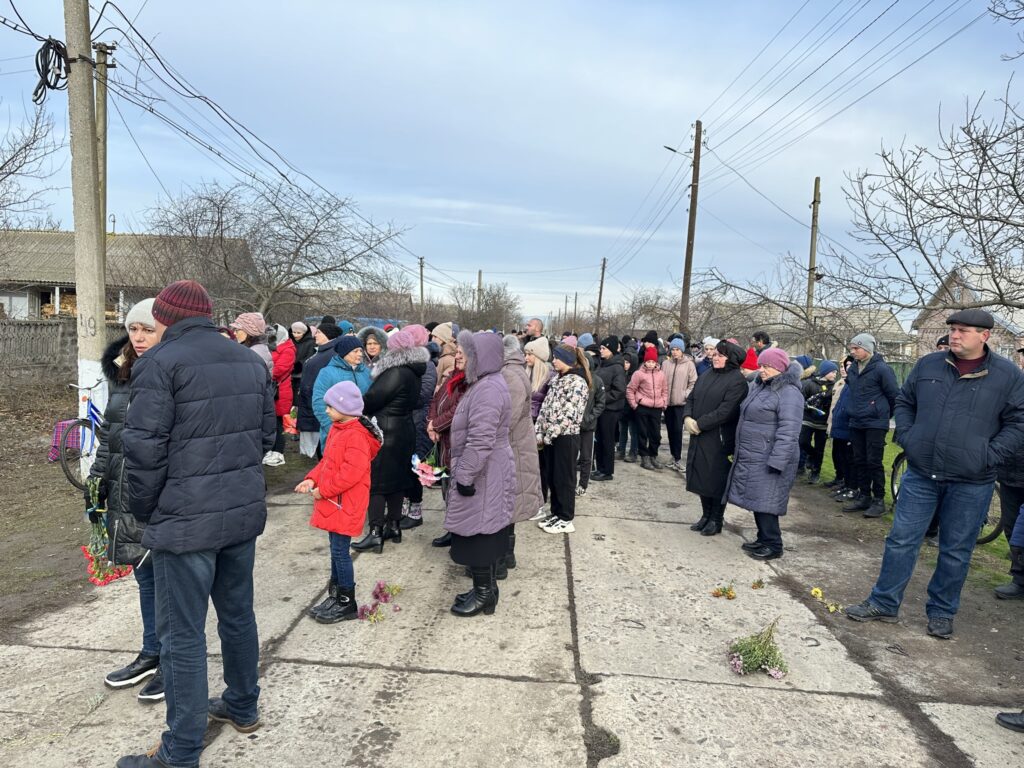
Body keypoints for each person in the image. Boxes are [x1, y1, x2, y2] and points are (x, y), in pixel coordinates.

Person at [118, 281, 275, 768]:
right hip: (238, 512)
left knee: (181, 634)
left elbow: (143, 450)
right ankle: (242, 706)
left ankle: (181, 749)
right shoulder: (250, 361)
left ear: (165, 317)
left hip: (185, 519)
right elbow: (268, 436)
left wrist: (143, 513)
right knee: (237, 613)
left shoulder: (160, 363)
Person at [845, 309, 1024, 639]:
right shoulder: (928, 365)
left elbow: (1018, 422)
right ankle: (884, 602)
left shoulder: (1008, 376)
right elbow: (905, 402)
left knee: (956, 549)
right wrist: (909, 438)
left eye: (963, 330)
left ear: (985, 335)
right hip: (921, 473)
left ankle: (942, 611)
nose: (955, 335)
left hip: (972, 480)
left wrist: (990, 455)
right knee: (901, 540)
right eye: (953, 329)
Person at [89, 299, 165, 703]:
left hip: (159, 494)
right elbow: (109, 433)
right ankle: (151, 651)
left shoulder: (171, 373)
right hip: (124, 489)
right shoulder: (123, 374)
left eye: (148, 329)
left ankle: (172, 658)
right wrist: (97, 479)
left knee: (167, 579)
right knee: (144, 575)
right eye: (133, 329)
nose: (138, 337)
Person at [295, 382, 382, 623]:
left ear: (346, 408)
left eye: (331, 407)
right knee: (335, 550)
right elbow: (327, 462)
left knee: (341, 552)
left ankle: (347, 601)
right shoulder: (338, 428)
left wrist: (325, 491)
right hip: (336, 501)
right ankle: (336, 594)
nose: (327, 410)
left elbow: (351, 473)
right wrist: (311, 479)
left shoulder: (355, 435)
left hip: (345, 502)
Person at [445, 332, 516, 615]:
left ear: (481, 355)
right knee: (481, 529)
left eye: (463, 350)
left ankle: (485, 594)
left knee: (479, 534)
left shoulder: (487, 389)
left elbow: (481, 439)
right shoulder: (483, 383)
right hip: (485, 468)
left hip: (483, 471)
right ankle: (484, 589)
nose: (457, 354)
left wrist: (464, 476)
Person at [352, 330, 428, 553]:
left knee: (376, 483)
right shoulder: (414, 371)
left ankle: (375, 532)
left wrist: (357, 401)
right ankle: (393, 525)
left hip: (387, 430)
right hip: (403, 429)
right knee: (396, 481)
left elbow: (372, 399)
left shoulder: (395, 372)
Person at [726, 348, 803, 561]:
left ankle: (774, 544)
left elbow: (789, 431)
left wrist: (778, 460)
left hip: (772, 457)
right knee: (759, 499)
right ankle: (763, 538)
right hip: (756, 454)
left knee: (768, 500)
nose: (762, 370)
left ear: (779, 368)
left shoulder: (789, 392)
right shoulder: (760, 386)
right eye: (761, 366)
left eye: (767, 366)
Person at [683, 341, 749, 536]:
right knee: (701, 476)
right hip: (699, 435)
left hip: (718, 438)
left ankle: (716, 519)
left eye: (720, 355)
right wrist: (687, 417)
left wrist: (699, 424)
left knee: (715, 479)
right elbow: (692, 398)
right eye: (715, 354)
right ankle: (705, 515)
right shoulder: (707, 374)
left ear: (731, 359)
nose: (715, 357)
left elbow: (726, 411)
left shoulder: (737, 381)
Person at [499, 335, 543, 575]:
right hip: (516, 446)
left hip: (514, 448)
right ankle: (506, 555)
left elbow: (507, 419)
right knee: (510, 503)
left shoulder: (511, 376)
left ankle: (504, 557)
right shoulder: (514, 371)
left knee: (509, 504)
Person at [842, 333, 899, 518]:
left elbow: (894, 396)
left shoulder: (882, 369)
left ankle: (879, 500)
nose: (853, 352)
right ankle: (864, 495)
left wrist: (882, 414)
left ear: (867, 349)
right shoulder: (853, 369)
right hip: (856, 420)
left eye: (856, 348)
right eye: (852, 348)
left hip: (875, 422)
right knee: (859, 459)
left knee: (874, 461)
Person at [535, 344, 590, 534]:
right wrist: (539, 432)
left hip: (565, 438)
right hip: (551, 439)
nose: (553, 360)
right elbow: (546, 408)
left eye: (556, 357)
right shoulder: (558, 379)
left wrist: (548, 435)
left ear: (566, 359)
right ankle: (556, 512)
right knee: (553, 477)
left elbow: (569, 414)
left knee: (564, 479)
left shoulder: (577, 382)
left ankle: (566, 517)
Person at [426, 340, 470, 548]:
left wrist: (436, 424)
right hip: (444, 441)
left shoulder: (470, 381)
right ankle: (452, 530)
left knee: (457, 491)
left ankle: (460, 533)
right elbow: (436, 400)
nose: (458, 356)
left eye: (462, 353)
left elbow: (458, 410)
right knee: (447, 489)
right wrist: (431, 423)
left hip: (457, 442)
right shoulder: (453, 376)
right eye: (457, 352)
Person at [399, 324, 437, 530]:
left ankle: (415, 512)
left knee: (415, 468)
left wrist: (399, 396)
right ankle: (405, 508)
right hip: (406, 421)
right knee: (405, 468)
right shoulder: (406, 362)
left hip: (418, 422)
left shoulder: (427, 365)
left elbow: (423, 395)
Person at [312, 335, 372, 450]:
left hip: (361, 432)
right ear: (344, 353)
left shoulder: (366, 373)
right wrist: (332, 429)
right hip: (336, 432)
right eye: (355, 351)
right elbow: (318, 403)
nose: (360, 354)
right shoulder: (327, 373)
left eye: (361, 350)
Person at [296, 322, 343, 458]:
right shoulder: (322, 351)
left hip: (321, 406)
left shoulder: (332, 353)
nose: (315, 335)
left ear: (328, 335)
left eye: (319, 332)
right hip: (311, 404)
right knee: (320, 449)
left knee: (325, 448)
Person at [627, 346, 669, 471]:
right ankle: (644, 456)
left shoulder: (661, 374)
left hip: (657, 407)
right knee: (642, 433)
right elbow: (630, 389)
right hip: (643, 407)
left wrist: (664, 403)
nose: (651, 364)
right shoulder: (638, 374)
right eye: (648, 362)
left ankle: (653, 455)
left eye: (653, 362)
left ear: (656, 362)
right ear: (645, 362)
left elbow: (665, 390)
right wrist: (635, 404)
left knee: (655, 434)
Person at [593, 336, 627, 482]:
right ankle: (600, 468)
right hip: (601, 408)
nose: (601, 350)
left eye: (604, 348)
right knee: (599, 439)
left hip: (611, 410)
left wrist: (601, 398)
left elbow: (619, 391)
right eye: (600, 348)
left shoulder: (617, 367)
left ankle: (607, 471)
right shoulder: (603, 364)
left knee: (607, 440)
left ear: (611, 350)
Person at [799, 360, 838, 485]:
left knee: (820, 448)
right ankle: (812, 455)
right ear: (825, 371)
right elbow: (801, 398)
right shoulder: (809, 384)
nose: (834, 374)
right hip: (808, 419)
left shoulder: (834, 387)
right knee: (803, 441)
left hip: (823, 422)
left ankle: (815, 472)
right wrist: (806, 405)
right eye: (832, 372)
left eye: (835, 372)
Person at [662, 337, 698, 473]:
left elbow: (693, 382)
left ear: (682, 350)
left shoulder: (689, 364)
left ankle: (677, 458)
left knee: (678, 431)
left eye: (677, 349)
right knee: (670, 431)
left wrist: (685, 394)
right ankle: (673, 456)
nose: (675, 352)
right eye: (673, 349)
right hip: (667, 403)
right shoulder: (666, 364)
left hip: (680, 403)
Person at [576, 352, 606, 496]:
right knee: (570, 457)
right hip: (572, 425)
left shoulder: (597, 381)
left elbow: (601, 403)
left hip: (588, 426)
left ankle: (583, 484)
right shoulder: (574, 379)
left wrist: (590, 417)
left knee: (586, 457)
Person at [266, 324, 296, 467]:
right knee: (271, 422)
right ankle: (271, 450)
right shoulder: (273, 346)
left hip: (280, 391)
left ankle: (278, 451)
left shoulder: (288, 349)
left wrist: (264, 370)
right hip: (274, 390)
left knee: (278, 423)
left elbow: (280, 369)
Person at [827, 357, 855, 500]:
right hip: (837, 423)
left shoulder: (853, 384)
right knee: (838, 453)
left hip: (847, 426)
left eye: (848, 365)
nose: (845, 368)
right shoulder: (841, 383)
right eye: (843, 366)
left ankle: (849, 484)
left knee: (847, 457)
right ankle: (842, 480)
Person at [617, 346, 640, 462]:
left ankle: (633, 452)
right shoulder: (621, 374)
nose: (625, 364)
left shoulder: (636, 376)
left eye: (627, 362)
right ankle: (621, 450)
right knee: (622, 431)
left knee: (633, 432)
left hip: (632, 409)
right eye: (624, 362)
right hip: (622, 408)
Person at [290, 321, 317, 397]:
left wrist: (298, 366)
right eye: (294, 332)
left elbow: (309, 357)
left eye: (298, 333)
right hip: (288, 374)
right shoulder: (290, 341)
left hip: (301, 374)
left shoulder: (310, 343)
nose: (295, 335)